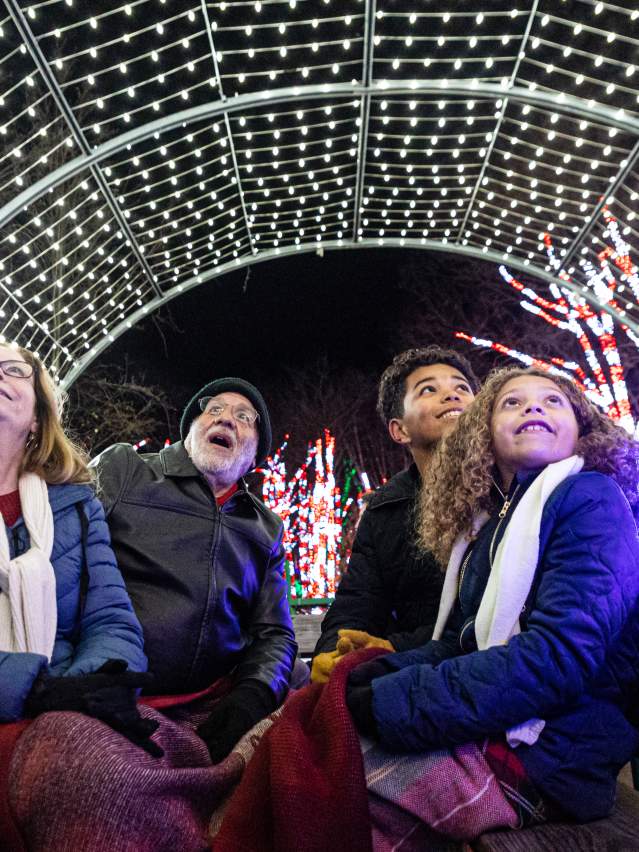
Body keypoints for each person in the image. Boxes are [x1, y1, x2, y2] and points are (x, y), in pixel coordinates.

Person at [345, 367, 639, 833]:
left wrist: (393, 702)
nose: (534, 407)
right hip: (499, 726)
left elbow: (560, 657)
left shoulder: (592, 499)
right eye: (512, 403)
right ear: (483, 436)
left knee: (332, 775)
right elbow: (465, 640)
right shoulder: (489, 527)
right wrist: (380, 670)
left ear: (582, 431)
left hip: (555, 755)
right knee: (306, 729)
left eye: (553, 400)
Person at [93, 377, 297, 763]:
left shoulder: (265, 528)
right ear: (189, 431)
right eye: (213, 409)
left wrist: (251, 697)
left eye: (243, 417)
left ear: (254, 458)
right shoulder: (125, 470)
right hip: (116, 691)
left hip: (213, 700)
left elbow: (275, 634)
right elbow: (63, 560)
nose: (225, 420)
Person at [0, 344, 151, 738]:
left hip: (63, 708)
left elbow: (111, 621)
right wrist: (36, 691)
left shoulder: (79, 508)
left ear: (37, 416)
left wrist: (84, 690)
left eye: (13, 369)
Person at [311, 346, 479, 682]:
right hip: (410, 673)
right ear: (399, 430)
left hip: (483, 670)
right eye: (429, 389)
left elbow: (487, 616)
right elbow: (357, 601)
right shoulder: (385, 510)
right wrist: (334, 652)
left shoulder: (510, 487)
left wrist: (393, 647)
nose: (451, 395)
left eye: (462, 387)